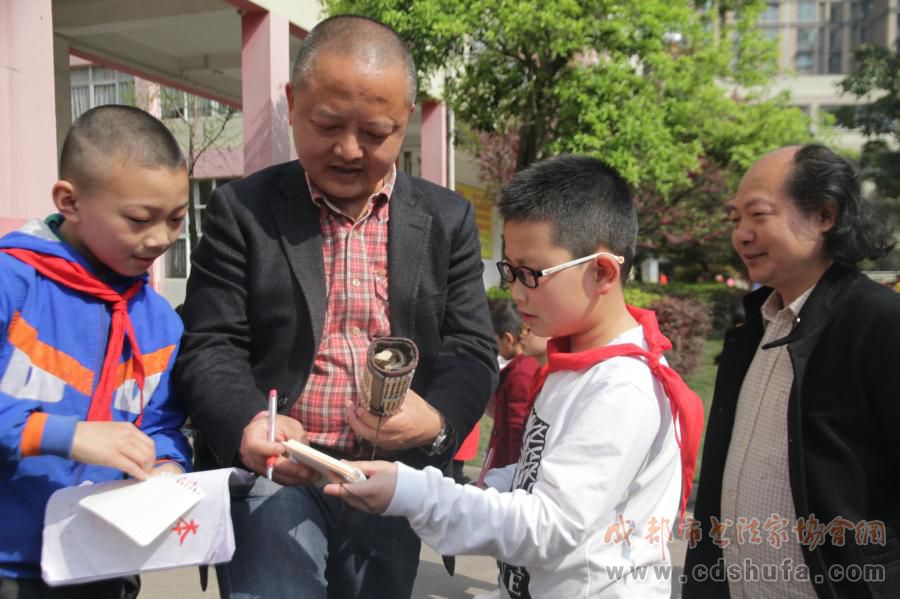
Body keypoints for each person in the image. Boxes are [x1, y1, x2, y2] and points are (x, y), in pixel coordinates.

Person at [172, 15, 498, 599]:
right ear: (293, 103)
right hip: (277, 475)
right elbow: (211, 343)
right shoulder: (241, 211)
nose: (349, 150)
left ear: (405, 121)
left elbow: (472, 346)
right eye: (327, 124)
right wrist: (250, 423)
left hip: (389, 475)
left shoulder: (445, 219)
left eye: (376, 132)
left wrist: (438, 422)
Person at [325, 154, 705, 598]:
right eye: (509, 271)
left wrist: (416, 493)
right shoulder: (573, 367)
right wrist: (482, 489)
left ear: (601, 271)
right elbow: (535, 475)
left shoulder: (620, 390)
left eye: (530, 274)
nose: (515, 290)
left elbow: (548, 526)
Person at [682, 144, 900, 598]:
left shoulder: (879, 325)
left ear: (824, 215)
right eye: (735, 219)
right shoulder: (750, 331)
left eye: (758, 215)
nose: (741, 235)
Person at [0, 105, 193, 598]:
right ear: (70, 200)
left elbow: (160, 426)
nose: (159, 240)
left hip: (101, 565)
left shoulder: (160, 322)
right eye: (138, 219)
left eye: (175, 220)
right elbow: (81, 436)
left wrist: (168, 466)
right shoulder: (12, 284)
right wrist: (65, 434)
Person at [484, 301, 546, 470]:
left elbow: (517, 430)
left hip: (507, 466)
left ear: (508, 338)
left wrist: (513, 471)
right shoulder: (523, 367)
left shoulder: (521, 373)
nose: (523, 336)